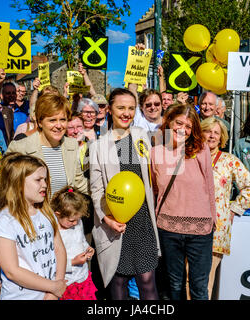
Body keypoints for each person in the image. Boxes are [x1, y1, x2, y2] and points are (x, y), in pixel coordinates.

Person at [89, 88, 160, 300]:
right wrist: (107, 219)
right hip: (116, 222)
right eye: (121, 107)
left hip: (143, 221)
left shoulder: (142, 136)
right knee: (117, 282)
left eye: (131, 108)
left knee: (147, 282)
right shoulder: (98, 146)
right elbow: (96, 189)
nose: (126, 113)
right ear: (110, 109)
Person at [151, 103, 216, 300]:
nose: (183, 129)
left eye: (188, 126)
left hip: (200, 230)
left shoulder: (201, 149)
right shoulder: (156, 152)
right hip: (168, 229)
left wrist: (213, 219)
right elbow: (155, 190)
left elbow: (209, 186)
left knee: (198, 286)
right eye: (179, 123)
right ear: (169, 121)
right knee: (174, 285)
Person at [0, 152, 67, 300]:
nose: (44, 184)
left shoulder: (47, 212)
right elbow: (11, 270)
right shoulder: (5, 221)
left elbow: (59, 249)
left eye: (45, 179)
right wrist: (52, 287)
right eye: (38, 180)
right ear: (17, 183)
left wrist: (56, 288)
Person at [201, 117, 250, 299]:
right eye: (208, 131)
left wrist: (233, 208)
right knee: (187, 278)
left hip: (216, 228)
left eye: (216, 132)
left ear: (222, 137)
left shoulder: (229, 160)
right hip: (190, 226)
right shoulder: (190, 156)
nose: (211, 136)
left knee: (205, 280)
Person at [6, 93, 88, 198]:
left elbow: (79, 183)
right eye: (52, 120)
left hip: (63, 213)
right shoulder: (20, 148)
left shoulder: (71, 145)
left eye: (63, 119)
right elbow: (5, 185)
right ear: (40, 122)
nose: (58, 126)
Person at [50, 186, 97, 300]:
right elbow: (51, 263)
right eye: (71, 220)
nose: (75, 223)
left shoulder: (77, 223)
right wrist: (73, 262)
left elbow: (80, 240)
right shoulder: (54, 232)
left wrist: (87, 248)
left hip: (82, 277)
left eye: (78, 219)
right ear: (57, 214)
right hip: (67, 283)